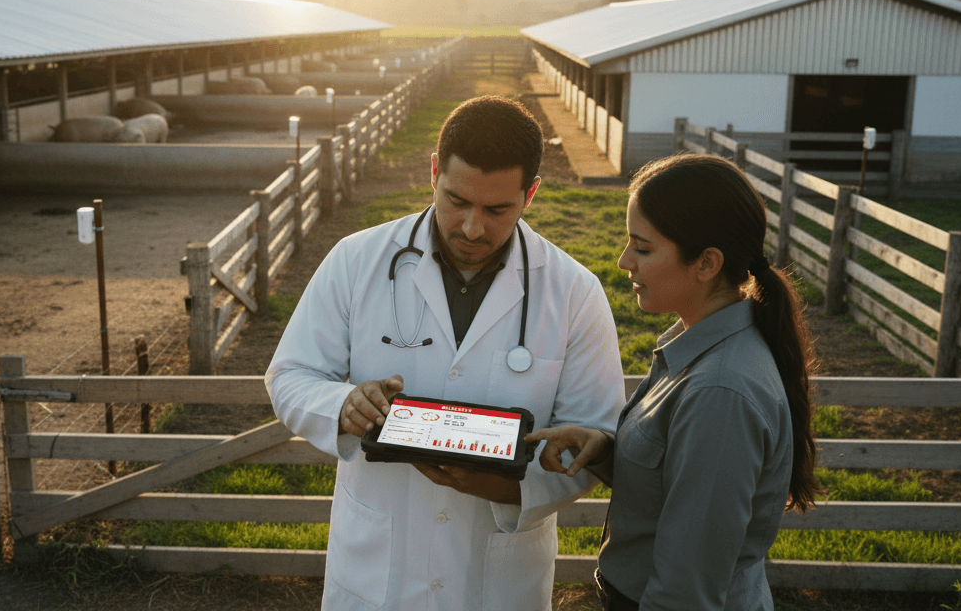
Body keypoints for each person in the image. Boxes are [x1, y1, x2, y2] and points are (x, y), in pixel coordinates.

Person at [266, 96, 623, 611]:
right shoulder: (356, 260)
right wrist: (342, 405)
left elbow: (594, 435)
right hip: (376, 572)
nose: (472, 228)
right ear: (433, 172)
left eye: (497, 209)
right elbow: (290, 375)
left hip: (498, 577)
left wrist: (506, 489)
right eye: (456, 200)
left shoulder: (573, 292)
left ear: (532, 194)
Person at [525, 153, 821, 611]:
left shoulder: (719, 392)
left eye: (642, 248)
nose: (624, 261)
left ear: (706, 263)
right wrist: (604, 449)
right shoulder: (699, 348)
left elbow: (687, 589)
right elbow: (676, 481)